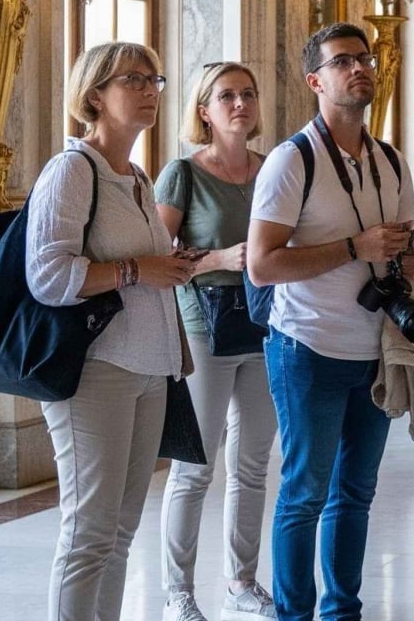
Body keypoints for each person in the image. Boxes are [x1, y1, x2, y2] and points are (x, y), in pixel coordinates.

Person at [246, 22, 414, 621]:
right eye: (343, 60)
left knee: (356, 495)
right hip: (307, 349)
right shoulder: (291, 160)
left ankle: (341, 611)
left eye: (365, 58)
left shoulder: (391, 160)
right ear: (315, 80)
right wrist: (357, 248)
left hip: (374, 350)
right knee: (303, 494)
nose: (360, 68)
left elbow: (410, 253)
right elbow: (262, 265)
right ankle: (294, 614)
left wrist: (401, 254)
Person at [27, 42, 198, 621]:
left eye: (156, 78)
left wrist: (174, 339)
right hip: (95, 371)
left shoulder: (136, 177)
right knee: (88, 531)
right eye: (135, 79)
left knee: (122, 531)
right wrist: (135, 270)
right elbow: (47, 275)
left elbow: (149, 272)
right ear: (95, 95)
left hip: (150, 367)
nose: (151, 89)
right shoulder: (73, 169)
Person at [156, 62, 276, 621]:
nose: (239, 104)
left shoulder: (273, 167)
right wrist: (221, 259)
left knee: (252, 464)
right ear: (204, 109)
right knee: (195, 465)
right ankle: (178, 591)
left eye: (247, 94)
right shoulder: (183, 173)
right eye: (226, 96)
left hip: (266, 323)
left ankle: (242, 582)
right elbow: (156, 258)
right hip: (204, 328)